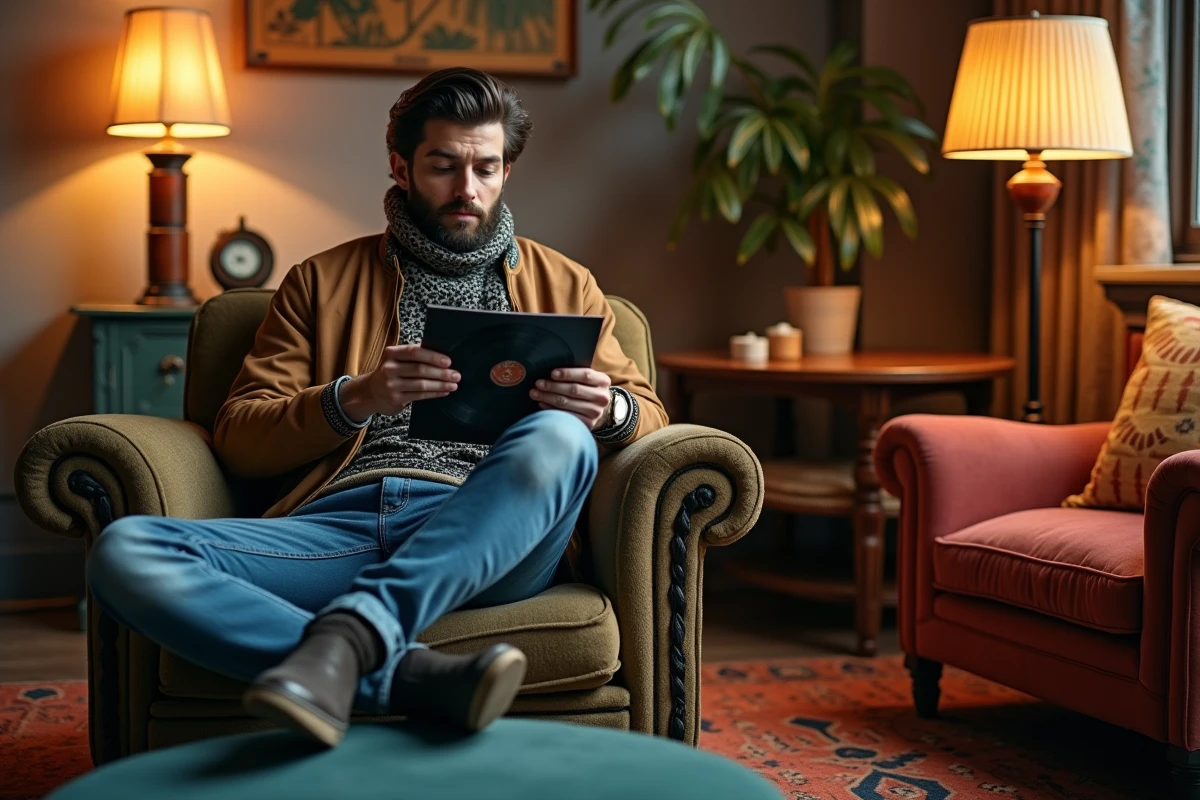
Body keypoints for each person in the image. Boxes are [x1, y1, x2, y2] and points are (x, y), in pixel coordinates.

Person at [85, 67, 668, 748]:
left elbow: (650, 414)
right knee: (123, 550)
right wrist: (353, 398)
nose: (466, 189)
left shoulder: (568, 283)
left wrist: (610, 412)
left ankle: (355, 631)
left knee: (558, 438)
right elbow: (239, 438)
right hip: (342, 527)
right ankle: (411, 677)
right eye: (444, 166)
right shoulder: (318, 281)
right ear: (401, 165)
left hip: (496, 534)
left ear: (507, 169)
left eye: (485, 167)